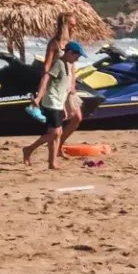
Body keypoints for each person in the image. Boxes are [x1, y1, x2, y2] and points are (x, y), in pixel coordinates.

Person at [22, 26, 87, 171]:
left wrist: (64, 106)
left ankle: (52, 163)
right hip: (50, 101)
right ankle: (29, 149)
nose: (78, 58)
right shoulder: (59, 64)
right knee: (56, 132)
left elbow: (63, 89)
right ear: (69, 52)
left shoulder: (69, 65)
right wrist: (38, 97)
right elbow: (46, 77)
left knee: (56, 133)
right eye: (77, 55)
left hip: (58, 102)